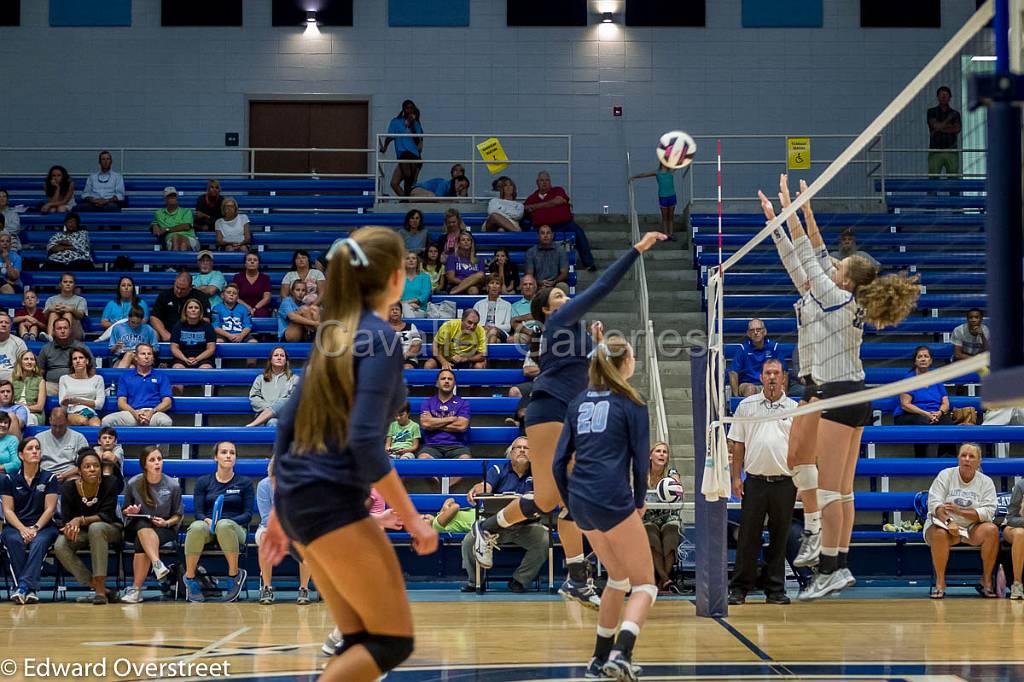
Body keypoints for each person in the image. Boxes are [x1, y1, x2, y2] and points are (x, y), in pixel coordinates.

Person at [260, 227, 438, 681]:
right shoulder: (381, 337)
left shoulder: (333, 334)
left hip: (301, 502)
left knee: (359, 639)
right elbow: (363, 443)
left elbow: (285, 423)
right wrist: (413, 517)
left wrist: (281, 514)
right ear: (397, 278)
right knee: (391, 641)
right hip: (330, 501)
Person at [473, 231, 665, 612]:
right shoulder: (560, 320)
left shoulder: (571, 332)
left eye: (564, 293)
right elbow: (604, 286)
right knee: (551, 496)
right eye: (558, 295)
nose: (565, 296)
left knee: (565, 499)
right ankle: (488, 527)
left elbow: (590, 373)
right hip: (548, 409)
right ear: (547, 309)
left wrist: (595, 344)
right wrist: (635, 250)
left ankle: (577, 578)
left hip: (570, 411)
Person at [780, 179, 919, 601]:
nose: (833, 267)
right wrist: (800, 209)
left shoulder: (838, 300)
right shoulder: (848, 298)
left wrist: (789, 212)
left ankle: (828, 566)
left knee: (829, 490)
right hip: (853, 393)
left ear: (848, 282)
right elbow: (819, 253)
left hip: (839, 396)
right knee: (838, 490)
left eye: (840, 269)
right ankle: (837, 566)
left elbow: (807, 255)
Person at [552, 332, 652, 678]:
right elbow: (641, 464)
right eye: (634, 356)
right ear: (625, 364)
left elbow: (557, 462)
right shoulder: (633, 402)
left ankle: (597, 660)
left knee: (618, 579)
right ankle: (621, 654)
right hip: (612, 498)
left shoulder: (578, 401)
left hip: (581, 502)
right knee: (645, 585)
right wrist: (639, 501)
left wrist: (570, 503)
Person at [759, 180, 825, 571]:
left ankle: (819, 534)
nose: (803, 275)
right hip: (813, 382)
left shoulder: (829, 290)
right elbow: (792, 256)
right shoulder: (810, 291)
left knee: (805, 461)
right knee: (800, 460)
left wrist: (800, 209)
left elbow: (808, 248)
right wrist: (773, 220)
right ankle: (821, 536)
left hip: (831, 383)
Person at [727, 359, 798, 605]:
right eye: (767, 373)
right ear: (761, 377)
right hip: (755, 481)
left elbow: (801, 449)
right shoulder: (746, 407)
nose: (771, 377)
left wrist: (801, 481)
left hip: (785, 483)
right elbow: (738, 444)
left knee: (780, 537)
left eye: (776, 373)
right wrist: (736, 477)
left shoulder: (794, 408)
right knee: (748, 536)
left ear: (783, 378)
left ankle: (776, 589)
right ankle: (739, 589)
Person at [463, 437, 548, 593]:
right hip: (496, 527)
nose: (522, 450)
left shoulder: (539, 473)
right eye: (518, 447)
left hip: (526, 527)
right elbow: (485, 486)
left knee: (544, 540)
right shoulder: (497, 469)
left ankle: (519, 580)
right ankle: (475, 581)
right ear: (511, 452)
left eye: (526, 448)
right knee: (469, 541)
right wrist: (476, 490)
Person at [924, 443, 998, 598]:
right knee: (939, 534)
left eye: (972, 457)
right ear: (958, 458)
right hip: (944, 526)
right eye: (963, 455)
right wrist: (949, 521)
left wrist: (960, 512)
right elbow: (934, 503)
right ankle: (940, 582)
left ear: (979, 461)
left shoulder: (986, 482)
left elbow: (988, 512)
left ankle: (986, 581)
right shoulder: (946, 475)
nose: (967, 459)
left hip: (972, 527)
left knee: (991, 530)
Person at [182, 441, 253, 603]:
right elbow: (198, 513)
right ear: (216, 457)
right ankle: (191, 579)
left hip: (235, 529)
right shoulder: (203, 482)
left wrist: (227, 521)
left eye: (232, 452)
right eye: (224, 452)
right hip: (209, 526)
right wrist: (207, 520)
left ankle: (234, 576)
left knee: (224, 525)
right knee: (196, 527)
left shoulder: (245, 482)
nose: (228, 455)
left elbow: (248, 515)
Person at [53, 450, 123, 604]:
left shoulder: (110, 482)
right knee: (60, 545)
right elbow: (67, 518)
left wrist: (80, 520)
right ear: (79, 471)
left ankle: (99, 592)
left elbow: (107, 515)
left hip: (110, 528)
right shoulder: (68, 488)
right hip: (82, 532)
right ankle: (99, 587)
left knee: (96, 528)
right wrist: (70, 527)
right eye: (87, 466)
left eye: (96, 466)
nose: (92, 469)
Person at [120, 446, 183, 604]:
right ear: (144, 464)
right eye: (152, 460)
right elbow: (125, 511)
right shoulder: (134, 483)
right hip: (137, 524)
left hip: (164, 527)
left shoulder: (172, 485)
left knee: (141, 541)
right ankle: (157, 563)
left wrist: (166, 522)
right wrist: (130, 510)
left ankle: (136, 590)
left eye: (159, 459)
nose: (157, 463)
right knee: (142, 526)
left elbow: (178, 515)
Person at [0, 437, 59, 604]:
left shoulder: (50, 478)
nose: (35, 451)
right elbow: (7, 510)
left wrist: (35, 528)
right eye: (30, 448)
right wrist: (22, 529)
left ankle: (22, 587)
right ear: (20, 455)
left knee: (39, 542)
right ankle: (30, 589)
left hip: (43, 526)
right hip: (15, 526)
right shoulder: (9, 479)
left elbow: (50, 509)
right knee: (13, 540)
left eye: (37, 448)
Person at [256, 458, 313, 605]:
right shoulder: (264, 485)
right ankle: (267, 587)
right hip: (269, 528)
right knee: (264, 539)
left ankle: (304, 588)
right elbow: (266, 517)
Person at [523, 171, 595, 271]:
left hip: (564, 224)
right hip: (542, 228)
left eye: (547, 180)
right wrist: (551, 204)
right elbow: (525, 208)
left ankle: (589, 263)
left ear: (550, 181)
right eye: (542, 180)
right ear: (537, 182)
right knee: (528, 236)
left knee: (578, 231)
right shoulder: (532, 198)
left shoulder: (558, 190)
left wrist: (537, 206)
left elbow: (560, 200)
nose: (544, 183)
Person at [894, 346, 954, 457]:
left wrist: (939, 413)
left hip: (934, 414)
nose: (923, 359)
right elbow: (905, 405)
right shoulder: (908, 379)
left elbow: (946, 402)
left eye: (926, 356)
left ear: (930, 361)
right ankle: (920, 458)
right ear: (915, 361)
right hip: (909, 414)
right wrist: (926, 414)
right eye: (919, 357)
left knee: (948, 423)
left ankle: (945, 458)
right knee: (921, 421)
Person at [100, 344, 174, 427]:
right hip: (132, 413)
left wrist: (152, 412)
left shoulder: (161, 376)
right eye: (143, 354)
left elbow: (167, 402)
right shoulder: (125, 376)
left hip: (154, 413)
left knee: (165, 421)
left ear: (153, 357)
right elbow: (121, 402)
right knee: (107, 421)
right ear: (136, 357)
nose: (146, 357)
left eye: (149, 354)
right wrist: (135, 413)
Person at [644, 442, 682, 593]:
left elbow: (677, 490)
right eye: (658, 451)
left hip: (668, 515)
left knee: (671, 534)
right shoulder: (642, 473)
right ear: (650, 456)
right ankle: (665, 578)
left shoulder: (671, 473)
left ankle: (662, 580)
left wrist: (675, 485)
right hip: (648, 517)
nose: (661, 454)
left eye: (665, 452)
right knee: (651, 535)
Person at [417, 369, 473, 467]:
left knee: (466, 461)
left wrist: (434, 423)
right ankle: (436, 482)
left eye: (450, 379)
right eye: (443, 378)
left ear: (454, 383)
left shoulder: (463, 403)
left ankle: (450, 483)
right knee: (422, 460)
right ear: (437, 383)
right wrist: (451, 419)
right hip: (432, 445)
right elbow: (426, 424)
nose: (446, 381)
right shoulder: (428, 402)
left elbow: (462, 426)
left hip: (457, 446)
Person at [729, 318, 785, 398]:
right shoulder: (743, 348)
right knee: (750, 389)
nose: (755, 332)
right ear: (748, 334)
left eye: (758, 329)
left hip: (769, 382)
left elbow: (784, 371)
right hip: (747, 384)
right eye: (752, 330)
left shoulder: (774, 347)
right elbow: (733, 372)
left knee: (779, 388)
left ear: (764, 332)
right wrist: (736, 397)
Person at [150, 270, 212, 342]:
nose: (179, 291)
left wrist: (190, 334)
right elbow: (154, 317)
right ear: (174, 283)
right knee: (153, 333)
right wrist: (164, 333)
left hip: (193, 335)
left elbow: (206, 319)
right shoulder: (165, 295)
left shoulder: (200, 297)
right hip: (168, 334)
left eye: (183, 289)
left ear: (190, 287)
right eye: (177, 287)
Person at [380, 99, 424, 196]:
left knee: (409, 178)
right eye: (407, 108)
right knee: (394, 183)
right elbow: (390, 137)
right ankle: (406, 200)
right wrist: (385, 148)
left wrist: (411, 125)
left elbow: (418, 141)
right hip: (402, 153)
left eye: (411, 108)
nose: (409, 110)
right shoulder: (395, 121)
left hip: (413, 154)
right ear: (403, 109)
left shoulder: (416, 123)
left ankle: (407, 200)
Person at [38, 318, 90, 396]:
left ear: (70, 330)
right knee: (39, 388)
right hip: (52, 386)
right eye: (59, 328)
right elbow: (40, 372)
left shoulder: (81, 347)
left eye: (65, 328)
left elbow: (91, 368)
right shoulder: (46, 348)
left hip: (76, 384)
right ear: (54, 331)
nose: (62, 331)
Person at [38, 406, 89, 480]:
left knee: (76, 482)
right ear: (50, 421)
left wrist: (64, 475)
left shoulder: (79, 438)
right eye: (54, 426)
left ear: (67, 422)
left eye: (61, 426)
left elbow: (84, 464)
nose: (57, 430)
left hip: (70, 475)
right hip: (45, 475)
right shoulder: (39, 438)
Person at [249, 346, 299, 421]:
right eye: (276, 355)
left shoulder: (294, 379)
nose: (279, 358)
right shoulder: (260, 378)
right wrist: (270, 409)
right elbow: (254, 398)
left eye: (282, 356)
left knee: (273, 422)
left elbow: (292, 401)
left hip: (285, 418)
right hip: (263, 417)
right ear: (271, 360)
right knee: (272, 422)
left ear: (286, 361)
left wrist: (275, 410)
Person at [630, 162, 678, 238]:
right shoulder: (657, 172)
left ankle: (671, 234)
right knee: (665, 217)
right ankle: (666, 234)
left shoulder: (671, 171)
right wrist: (634, 177)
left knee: (671, 216)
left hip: (672, 196)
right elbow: (644, 174)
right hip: (663, 197)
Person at [59, 348, 105, 427]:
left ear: (87, 361)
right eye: (74, 359)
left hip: (91, 413)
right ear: (72, 363)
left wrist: (77, 400)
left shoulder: (98, 379)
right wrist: (66, 402)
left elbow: (99, 405)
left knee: (96, 425)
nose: (77, 361)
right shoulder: (64, 379)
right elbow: (62, 403)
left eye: (81, 358)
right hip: (72, 412)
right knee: (82, 421)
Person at [170, 298, 217, 369]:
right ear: (185, 311)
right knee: (178, 367)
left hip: (203, 359)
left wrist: (197, 359)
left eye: (196, 308)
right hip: (182, 358)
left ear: (200, 311)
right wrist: (185, 359)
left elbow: (211, 348)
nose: (193, 310)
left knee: (205, 368)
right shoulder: (178, 325)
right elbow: (174, 348)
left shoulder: (207, 326)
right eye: (190, 307)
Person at [927, 85, 962, 180]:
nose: (943, 97)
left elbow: (957, 129)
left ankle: (954, 195)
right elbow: (935, 126)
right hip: (935, 150)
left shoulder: (955, 113)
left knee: (954, 180)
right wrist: (949, 125)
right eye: (941, 95)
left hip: (951, 150)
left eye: (946, 95)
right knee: (933, 180)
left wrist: (940, 127)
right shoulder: (931, 111)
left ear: (950, 97)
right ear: (937, 97)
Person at [44, 272, 88, 340]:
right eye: (65, 282)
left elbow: (81, 316)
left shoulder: (81, 300)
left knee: (68, 313)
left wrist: (72, 309)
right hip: (56, 331)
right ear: (60, 284)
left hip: (75, 331)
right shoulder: (51, 299)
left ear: (74, 285)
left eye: (71, 282)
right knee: (53, 313)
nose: (68, 284)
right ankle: (50, 337)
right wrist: (50, 309)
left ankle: (67, 337)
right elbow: (45, 317)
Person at [524, 225, 569, 289]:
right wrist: (539, 282)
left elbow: (564, 273)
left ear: (552, 235)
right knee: (529, 285)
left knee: (563, 286)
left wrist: (554, 282)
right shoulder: (531, 252)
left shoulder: (560, 251)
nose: (545, 236)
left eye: (548, 233)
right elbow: (529, 274)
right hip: (538, 284)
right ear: (538, 236)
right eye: (542, 233)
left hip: (556, 284)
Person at [231, 251, 273, 319]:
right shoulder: (238, 277)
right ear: (245, 263)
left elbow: (267, 298)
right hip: (241, 306)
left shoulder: (265, 278)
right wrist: (248, 308)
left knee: (261, 314)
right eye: (249, 260)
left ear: (258, 264)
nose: (252, 262)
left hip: (260, 307)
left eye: (255, 260)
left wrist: (254, 308)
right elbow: (235, 297)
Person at [1002, 474, 1024, 599]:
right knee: (1021, 533)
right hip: (1015, 528)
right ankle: (1017, 584)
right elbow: (1010, 519)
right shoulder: (1021, 485)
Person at [473, 276, 513, 343]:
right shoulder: (478, 304)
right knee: (495, 340)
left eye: (497, 283)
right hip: (483, 332)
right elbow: (474, 324)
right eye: (492, 283)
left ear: (500, 288)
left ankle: (481, 350)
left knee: (493, 331)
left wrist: (493, 327)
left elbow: (508, 327)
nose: (494, 286)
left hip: (501, 332)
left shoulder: (507, 305)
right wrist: (483, 327)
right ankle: (486, 352)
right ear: (487, 287)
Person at [12, 350, 45, 426]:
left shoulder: (40, 381)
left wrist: (23, 408)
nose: (29, 362)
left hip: (33, 414)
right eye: (26, 359)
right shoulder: (12, 379)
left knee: (20, 418)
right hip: (13, 412)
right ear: (20, 362)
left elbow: (39, 407)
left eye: (32, 359)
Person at [386, 302, 422, 369]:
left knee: (406, 368)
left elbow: (417, 344)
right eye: (392, 310)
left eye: (397, 309)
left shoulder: (411, 326)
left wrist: (405, 355)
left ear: (401, 313)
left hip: (408, 360)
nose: (394, 311)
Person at [400, 252, 432, 318]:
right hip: (401, 310)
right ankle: (411, 328)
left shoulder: (425, 277)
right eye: (408, 258)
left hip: (419, 309)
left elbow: (424, 296)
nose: (411, 260)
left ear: (417, 262)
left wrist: (406, 303)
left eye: (413, 258)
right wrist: (407, 305)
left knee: (405, 309)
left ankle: (409, 327)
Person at [0, 311, 28, 380]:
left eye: (6, 322)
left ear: (11, 326)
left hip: (10, 377)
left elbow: (25, 365)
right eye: (1, 322)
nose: (3, 324)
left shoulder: (19, 343)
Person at [511, 274, 539, 341]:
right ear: (521, 287)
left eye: (530, 284)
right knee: (511, 339)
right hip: (525, 334)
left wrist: (520, 318)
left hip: (543, 331)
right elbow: (514, 323)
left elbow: (541, 315)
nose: (528, 286)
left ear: (535, 287)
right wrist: (530, 332)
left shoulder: (542, 301)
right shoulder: (515, 306)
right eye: (525, 284)